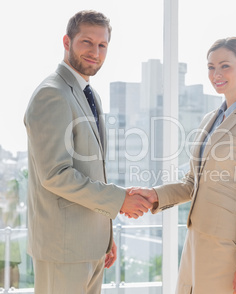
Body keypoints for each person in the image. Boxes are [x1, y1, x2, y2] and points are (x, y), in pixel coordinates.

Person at [132, 37, 236, 294]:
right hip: (195, 241)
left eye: (225, 66)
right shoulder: (210, 119)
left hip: (226, 248)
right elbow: (192, 183)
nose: (216, 74)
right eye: (211, 67)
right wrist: (155, 195)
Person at [24, 10, 151, 294]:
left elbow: (91, 172)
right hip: (63, 250)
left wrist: (105, 236)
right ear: (67, 42)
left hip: (90, 247)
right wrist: (120, 201)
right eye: (86, 42)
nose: (95, 52)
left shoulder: (89, 95)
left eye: (102, 45)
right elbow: (56, 175)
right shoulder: (52, 93)